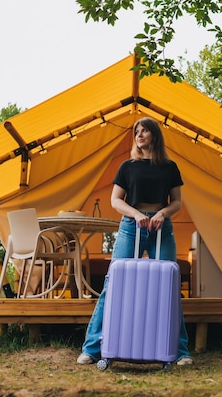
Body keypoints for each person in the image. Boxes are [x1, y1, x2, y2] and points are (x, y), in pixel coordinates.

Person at [77, 117, 193, 366]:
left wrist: (162, 214)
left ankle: (180, 352)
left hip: (162, 226)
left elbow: (176, 202)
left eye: (145, 131)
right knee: (113, 283)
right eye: (136, 132)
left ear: (154, 136)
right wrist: (137, 214)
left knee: (170, 286)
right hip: (132, 226)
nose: (139, 135)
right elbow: (116, 200)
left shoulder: (170, 167)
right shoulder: (127, 166)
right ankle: (92, 348)